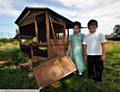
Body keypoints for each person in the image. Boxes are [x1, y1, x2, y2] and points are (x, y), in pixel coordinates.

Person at [83, 19, 106, 85]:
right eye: (90, 28)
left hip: (99, 55)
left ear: (96, 27)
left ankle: (98, 79)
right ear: (88, 28)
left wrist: (103, 54)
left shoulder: (100, 35)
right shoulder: (86, 36)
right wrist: (85, 54)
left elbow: (103, 45)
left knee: (99, 68)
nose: (92, 29)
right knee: (90, 67)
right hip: (89, 55)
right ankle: (91, 76)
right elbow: (85, 45)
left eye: (93, 28)